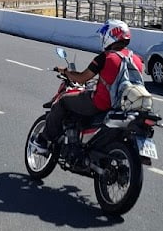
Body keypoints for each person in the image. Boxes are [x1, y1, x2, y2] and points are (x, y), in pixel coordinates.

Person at [39, 20, 143, 148]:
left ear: (110, 36)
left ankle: (44, 140)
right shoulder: (137, 59)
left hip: (100, 104)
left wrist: (66, 71)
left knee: (63, 100)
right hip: (123, 105)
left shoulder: (105, 57)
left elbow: (82, 78)